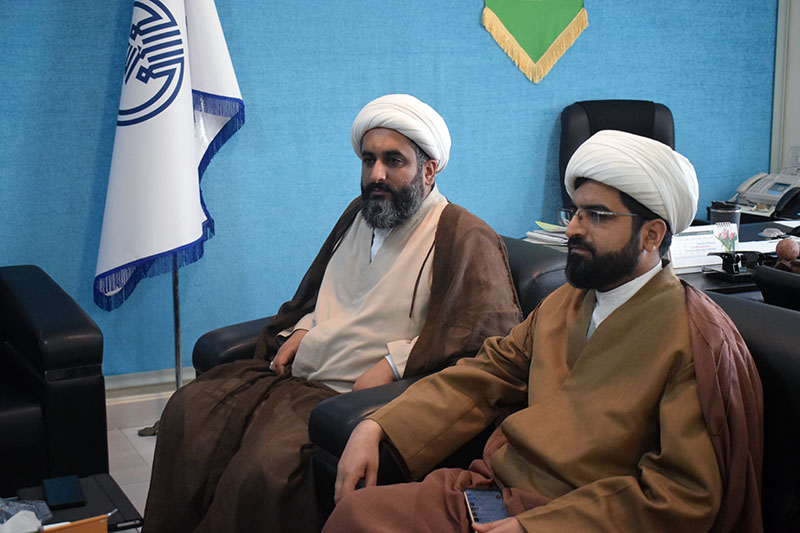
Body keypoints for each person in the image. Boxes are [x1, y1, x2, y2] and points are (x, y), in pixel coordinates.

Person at [326, 130, 764, 533]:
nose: (573, 229)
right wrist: (379, 425)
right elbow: (483, 376)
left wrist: (534, 528)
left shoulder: (696, 341)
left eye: (597, 216)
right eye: (576, 212)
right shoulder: (564, 303)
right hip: (495, 494)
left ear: (651, 235)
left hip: (574, 519)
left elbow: (681, 495)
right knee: (356, 517)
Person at [142, 94, 522, 533]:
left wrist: (394, 363)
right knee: (190, 411)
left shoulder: (463, 233)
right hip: (301, 374)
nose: (376, 174)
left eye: (393, 161)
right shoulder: (361, 215)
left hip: (347, 397)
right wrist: (304, 328)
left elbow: (486, 339)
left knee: (266, 466)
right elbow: (325, 295)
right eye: (369, 159)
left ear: (429, 169)